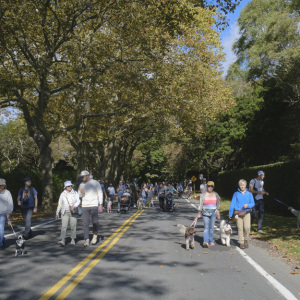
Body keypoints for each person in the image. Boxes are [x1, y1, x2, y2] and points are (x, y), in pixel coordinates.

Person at [78, 170, 103, 247]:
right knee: (85, 223)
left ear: (87, 175)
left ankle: (95, 236)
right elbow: (79, 195)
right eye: (81, 177)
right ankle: (86, 239)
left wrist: (101, 204)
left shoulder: (95, 183)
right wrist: (81, 192)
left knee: (95, 222)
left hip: (94, 205)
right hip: (85, 205)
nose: (82, 178)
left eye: (83, 177)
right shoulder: (81, 184)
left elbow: (100, 193)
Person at [229, 179, 255, 249]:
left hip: (247, 213)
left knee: (247, 228)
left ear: (245, 185)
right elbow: (232, 204)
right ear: (239, 186)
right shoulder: (236, 194)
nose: (242, 186)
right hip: (238, 213)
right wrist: (230, 214)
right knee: (240, 228)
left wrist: (248, 205)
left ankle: (246, 239)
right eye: (241, 185)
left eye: (243, 185)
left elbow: (252, 203)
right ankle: (241, 242)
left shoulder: (249, 194)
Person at [56, 181, 80, 246]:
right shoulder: (62, 194)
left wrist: (74, 206)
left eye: (71, 186)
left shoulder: (75, 193)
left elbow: (78, 201)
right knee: (64, 226)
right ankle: (63, 240)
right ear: (65, 187)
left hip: (73, 211)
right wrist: (57, 212)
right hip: (64, 211)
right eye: (68, 186)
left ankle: (73, 239)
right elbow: (60, 204)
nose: (70, 187)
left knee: (73, 226)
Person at [197, 181, 221, 248]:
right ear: (207, 186)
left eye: (211, 186)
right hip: (205, 213)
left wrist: (218, 210)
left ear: (213, 187)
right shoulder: (203, 195)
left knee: (211, 228)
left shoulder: (216, 194)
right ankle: (206, 241)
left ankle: (211, 241)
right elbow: (200, 204)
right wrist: (199, 212)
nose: (210, 187)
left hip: (213, 213)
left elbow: (218, 202)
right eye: (209, 186)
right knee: (206, 228)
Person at [0, 179, 13, 250]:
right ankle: (3, 240)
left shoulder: (7, 193)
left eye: (2, 185)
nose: (0, 186)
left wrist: (9, 212)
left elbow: (10, 203)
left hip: (3, 213)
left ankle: (0, 243)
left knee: (1, 229)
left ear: (4, 185)